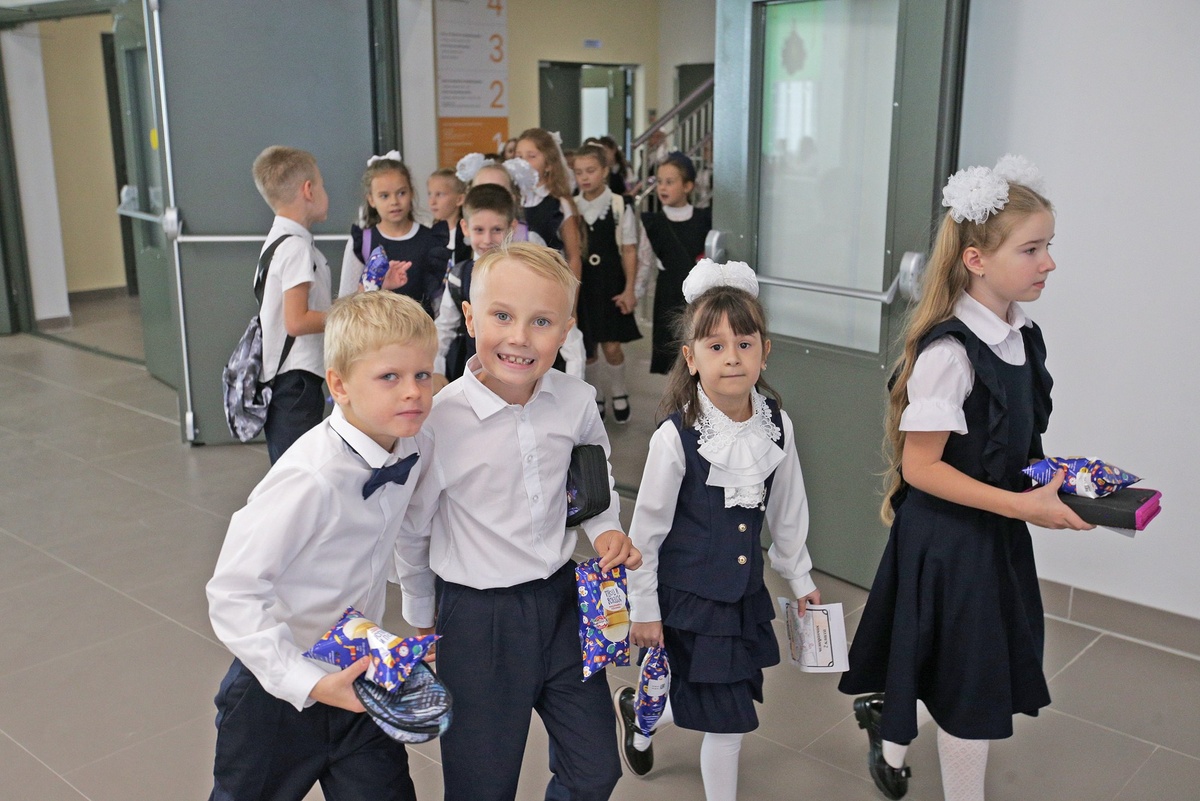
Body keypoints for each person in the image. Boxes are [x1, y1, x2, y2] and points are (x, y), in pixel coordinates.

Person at [838, 156, 1091, 801]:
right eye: (1031, 249)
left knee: (955, 668)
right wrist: (1023, 506)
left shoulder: (1020, 336)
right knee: (969, 690)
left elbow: (1005, 449)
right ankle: (903, 746)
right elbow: (921, 469)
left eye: (1048, 246)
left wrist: (1062, 481)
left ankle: (888, 733)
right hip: (950, 541)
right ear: (976, 259)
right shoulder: (951, 353)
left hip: (994, 531)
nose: (1049, 263)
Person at [395, 242, 642, 801]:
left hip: (562, 605)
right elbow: (413, 528)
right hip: (476, 620)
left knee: (594, 769)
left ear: (567, 331)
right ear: (470, 318)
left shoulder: (576, 401)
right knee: (482, 784)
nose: (520, 338)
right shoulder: (439, 421)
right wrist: (421, 614)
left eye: (542, 322)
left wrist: (605, 530)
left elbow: (592, 479)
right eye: (502, 316)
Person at [206, 290, 438, 801]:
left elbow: (413, 532)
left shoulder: (413, 445)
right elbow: (232, 592)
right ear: (339, 385)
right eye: (389, 377)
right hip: (277, 693)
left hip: (359, 672)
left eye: (423, 374)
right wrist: (307, 682)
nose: (413, 392)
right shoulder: (309, 477)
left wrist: (424, 617)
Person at [617, 260, 820, 801]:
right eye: (716, 345)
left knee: (719, 701)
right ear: (691, 358)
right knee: (717, 711)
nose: (732, 357)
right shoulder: (675, 437)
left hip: (741, 595)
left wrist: (800, 578)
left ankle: (642, 713)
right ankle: (643, 717)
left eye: (744, 344)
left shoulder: (776, 423)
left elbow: (787, 507)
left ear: (764, 351)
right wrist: (644, 608)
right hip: (685, 597)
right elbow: (646, 534)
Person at [251, 145, 331, 464]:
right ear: (308, 190)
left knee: (291, 465)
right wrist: (345, 316)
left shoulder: (278, 241)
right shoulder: (296, 248)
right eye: (322, 184)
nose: (325, 192)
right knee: (298, 469)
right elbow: (296, 321)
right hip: (295, 381)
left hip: (286, 381)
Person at [572, 143, 641, 423]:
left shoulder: (618, 205)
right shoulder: (572, 206)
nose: (584, 177)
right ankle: (596, 393)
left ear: (604, 171)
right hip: (583, 286)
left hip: (611, 284)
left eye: (590, 170)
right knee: (588, 349)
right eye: (578, 172)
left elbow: (629, 249)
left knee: (612, 346)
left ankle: (619, 389)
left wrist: (629, 289)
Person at [515, 128, 587, 378]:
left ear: (548, 164)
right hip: (517, 288)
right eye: (519, 156)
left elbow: (574, 256)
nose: (524, 162)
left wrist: (572, 302)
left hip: (550, 288)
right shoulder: (512, 202)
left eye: (531, 156)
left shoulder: (559, 204)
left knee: (560, 350)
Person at [338, 152, 447, 316]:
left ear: (411, 193)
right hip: (375, 329)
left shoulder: (431, 240)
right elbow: (346, 300)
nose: (394, 202)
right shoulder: (363, 242)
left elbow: (440, 303)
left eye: (401, 193)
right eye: (384, 196)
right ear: (371, 200)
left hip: (420, 329)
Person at [432, 183, 517, 388]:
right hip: (472, 379)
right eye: (479, 230)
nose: (487, 240)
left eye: (496, 230)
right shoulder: (459, 276)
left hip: (518, 374)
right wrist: (436, 372)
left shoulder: (525, 274)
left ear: (512, 227)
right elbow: (444, 329)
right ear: (465, 228)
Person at [642, 152, 712, 374]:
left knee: (699, 341)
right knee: (671, 347)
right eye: (659, 181)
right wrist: (634, 292)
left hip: (698, 292)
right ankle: (676, 391)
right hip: (668, 291)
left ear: (688, 186)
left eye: (670, 182)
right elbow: (645, 260)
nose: (662, 187)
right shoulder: (652, 222)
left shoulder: (704, 219)